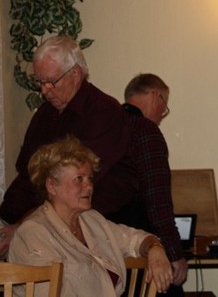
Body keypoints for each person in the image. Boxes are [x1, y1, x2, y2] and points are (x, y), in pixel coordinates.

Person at [0, 35, 133, 256]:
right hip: (43, 223)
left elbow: (74, 188)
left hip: (92, 231)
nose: (44, 90)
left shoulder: (104, 111)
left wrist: (24, 228)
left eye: (51, 81)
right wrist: (6, 220)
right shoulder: (43, 116)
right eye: (40, 82)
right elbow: (27, 175)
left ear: (76, 74)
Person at [8, 136, 173, 296]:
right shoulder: (33, 233)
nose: (89, 186)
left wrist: (155, 248)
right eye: (79, 179)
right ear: (51, 185)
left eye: (90, 178)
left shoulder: (91, 220)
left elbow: (134, 239)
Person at [122, 73, 188, 295]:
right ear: (154, 96)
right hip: (143, 250)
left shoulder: (107, 129)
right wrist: (175, 254)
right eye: (164, 107)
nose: (161, 117)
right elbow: (157, 200)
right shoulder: (146, 132)